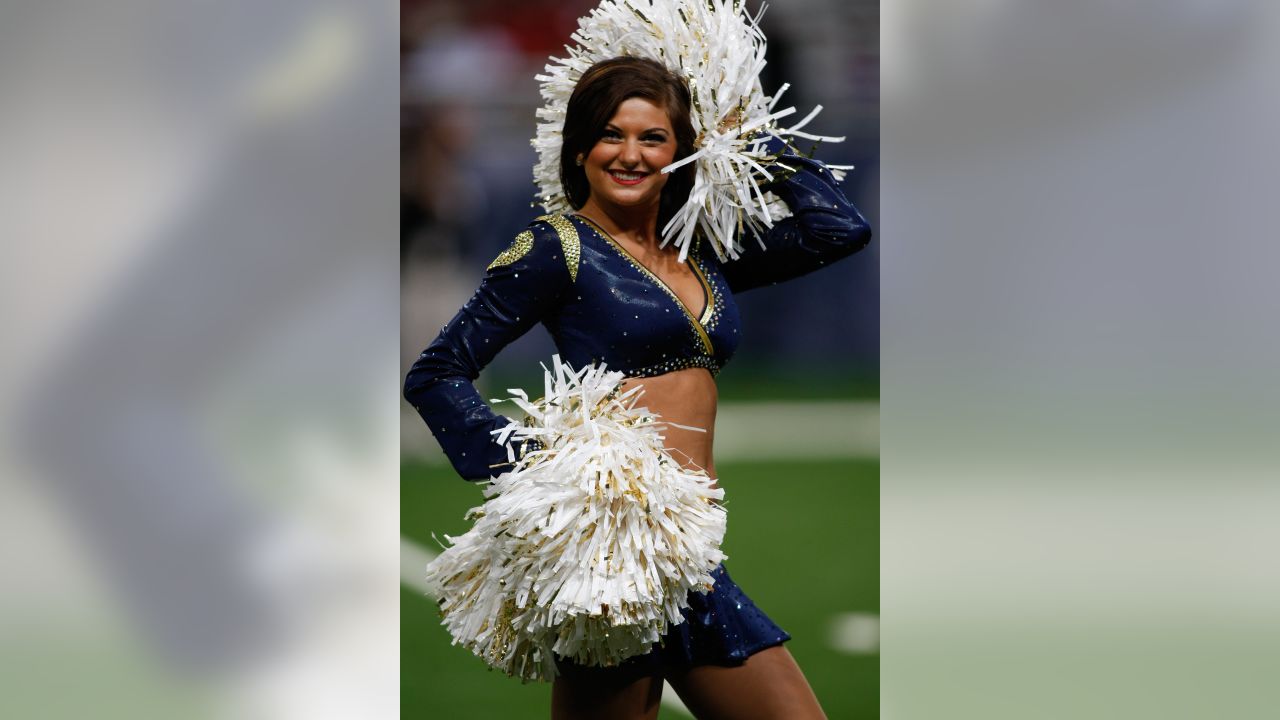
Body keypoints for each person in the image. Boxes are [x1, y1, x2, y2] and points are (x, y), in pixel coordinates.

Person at [404, 56, 871, 720]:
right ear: (579, 147)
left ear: (682, 150)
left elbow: (838, 229)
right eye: (610, 134)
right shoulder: (556, 247)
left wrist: (747, 141)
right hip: (611, 564)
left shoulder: (700, 250)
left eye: (653, 138)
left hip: (693, 559)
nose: (630, 154)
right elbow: (436, 372)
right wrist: (536, 473)